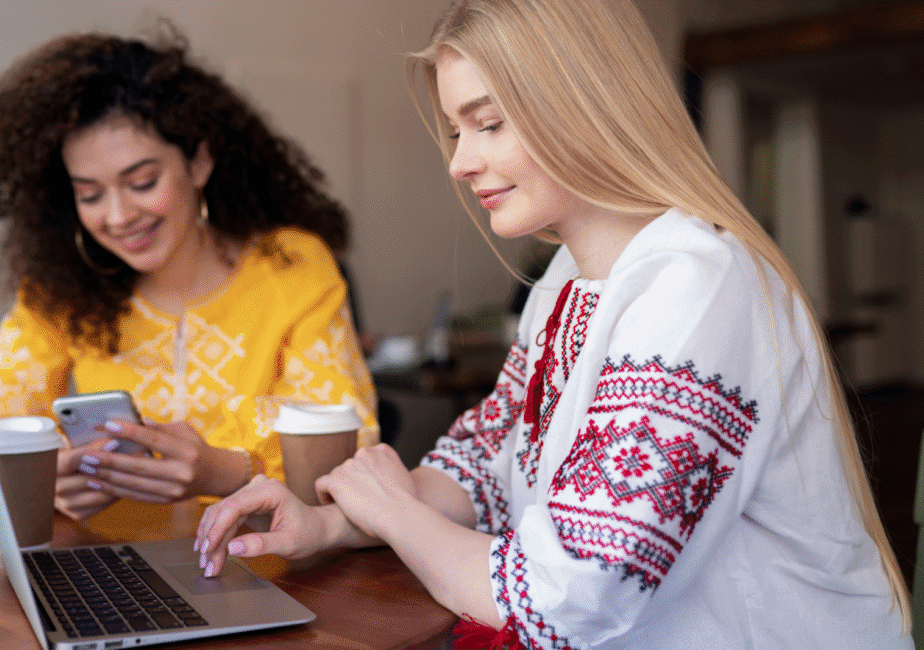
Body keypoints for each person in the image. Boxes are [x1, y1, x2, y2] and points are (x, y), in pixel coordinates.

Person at [194, 0, 912, 647]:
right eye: (455, 129)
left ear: (584, 102)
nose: (460, 162)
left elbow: (567, 597)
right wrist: (333, 522)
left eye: (489, 123)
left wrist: (396, 514)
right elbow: (485, 465)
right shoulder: (565, 280)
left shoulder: (696, 283)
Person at [0, 26, 378, 538]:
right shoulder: (60, 291)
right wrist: (40, 480)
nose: (118, 216)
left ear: (199, 162)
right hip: (115, 570)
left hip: (269, 563)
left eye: (142, 182)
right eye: (90, 195)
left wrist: (223, 470)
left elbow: (348, 446)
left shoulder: (293, 266)